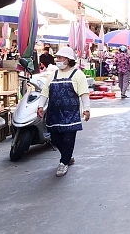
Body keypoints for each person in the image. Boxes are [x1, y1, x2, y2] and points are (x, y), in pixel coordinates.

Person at [35, 46, 90, 177]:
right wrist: (40, 106)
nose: (58, 60)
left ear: (68, 60)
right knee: (55, 139)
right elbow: (45, 92)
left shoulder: (78, 74)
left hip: (71, 114)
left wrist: (86, 109)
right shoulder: (53, 74)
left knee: (68, 139)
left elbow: (83, 93)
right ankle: (67, 155)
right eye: (57, 58)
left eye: (61, 58)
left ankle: (63, 162)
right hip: (54, 113)